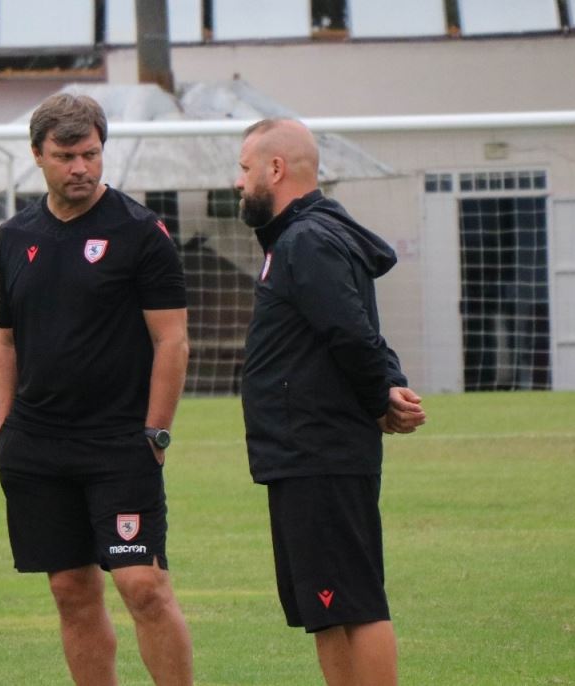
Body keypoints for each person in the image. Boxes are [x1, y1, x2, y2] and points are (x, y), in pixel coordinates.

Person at [0, 93, 193, 686]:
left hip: (118, 444)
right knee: (71, 590)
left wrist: (155, 433)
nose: (81, 167)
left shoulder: (141, 233)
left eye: (91, 154)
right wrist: (5, 430)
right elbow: (5, 342)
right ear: (37, 156)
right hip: (37, 446)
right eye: (66, 155)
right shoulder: (14, 235)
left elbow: (172, 342)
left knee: (143, 586)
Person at [235, 118, 426, 686]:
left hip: (321, 450)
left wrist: (378, 397)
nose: (239, 183)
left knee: (355, 602)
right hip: (301, 454)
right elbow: (357, 326)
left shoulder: (308, 240)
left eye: (245, 170)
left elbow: (350, 332)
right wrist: (386, 382)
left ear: (275, 169)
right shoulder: (300, 239)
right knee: (324, 610)